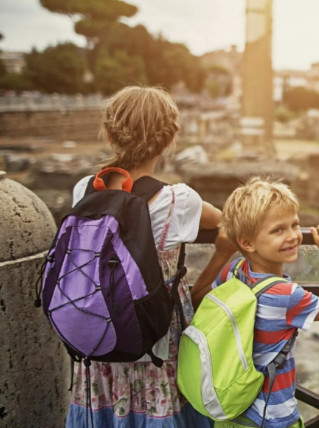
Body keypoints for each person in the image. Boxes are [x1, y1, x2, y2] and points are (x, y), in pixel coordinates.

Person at [66, 85, 230, 427]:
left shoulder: (84, 190)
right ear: (170, 139)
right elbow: (228, 221)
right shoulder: (178, 200)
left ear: (109, 135)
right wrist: (222, 255)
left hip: (100, 331)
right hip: (155, 339)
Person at [190, 177, 319, 428]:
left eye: (295, 225)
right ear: (247, 242)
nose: (293, 236)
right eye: (278, 230)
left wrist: (222, 252)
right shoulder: (285, 294)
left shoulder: (235, 270)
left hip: (231, 409)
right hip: (272, 416)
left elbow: (198, 296)